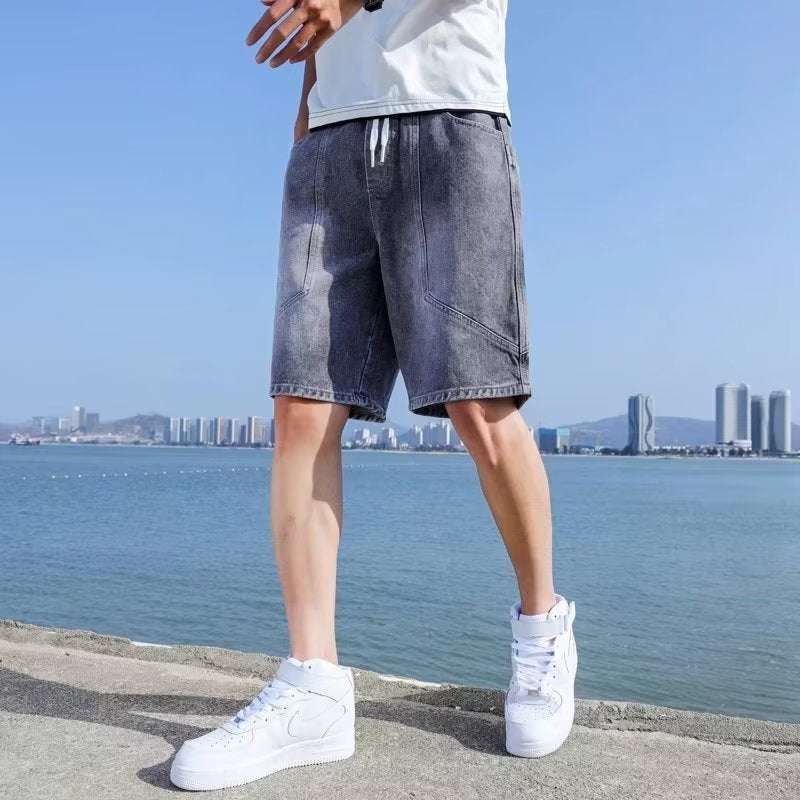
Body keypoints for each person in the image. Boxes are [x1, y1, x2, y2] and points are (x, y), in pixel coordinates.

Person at [170, 0, 577, 790]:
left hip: (451, 117)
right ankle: (313, 685)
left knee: (478, 402)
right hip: (330, 143)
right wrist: (308, 119)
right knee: (302, 406)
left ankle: (543, 630)